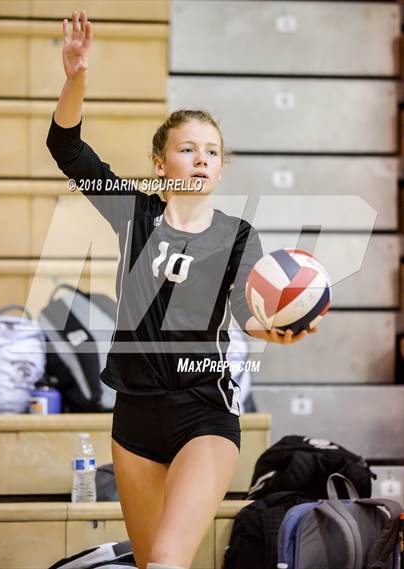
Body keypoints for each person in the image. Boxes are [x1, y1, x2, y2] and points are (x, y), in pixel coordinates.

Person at [46, 11, 317, 569]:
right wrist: (75, 77)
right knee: (155, 566)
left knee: (169, 558)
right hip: (133, 419)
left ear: (220, 167)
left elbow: (246, 311)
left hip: (204, 414)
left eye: (211, 151)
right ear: (160, 162)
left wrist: (276, 330)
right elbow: (67, 149)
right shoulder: (135, 213)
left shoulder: (237, 235)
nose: (200, 159)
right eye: (187, 149)